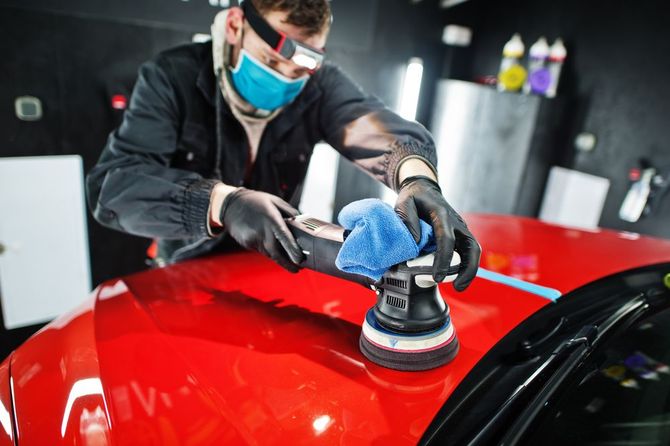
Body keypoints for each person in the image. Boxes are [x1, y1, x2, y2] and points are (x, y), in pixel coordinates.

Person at [86, 0, 481, 291]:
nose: (287, 80)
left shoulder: (319, 84)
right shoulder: (170, 77)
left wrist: (417, 179)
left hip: (271, 269)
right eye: (274, 64)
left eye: (300, 70)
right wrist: (223, 202)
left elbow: (375, 127)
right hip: (183, 273)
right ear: (235, 26)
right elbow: (114, 187)